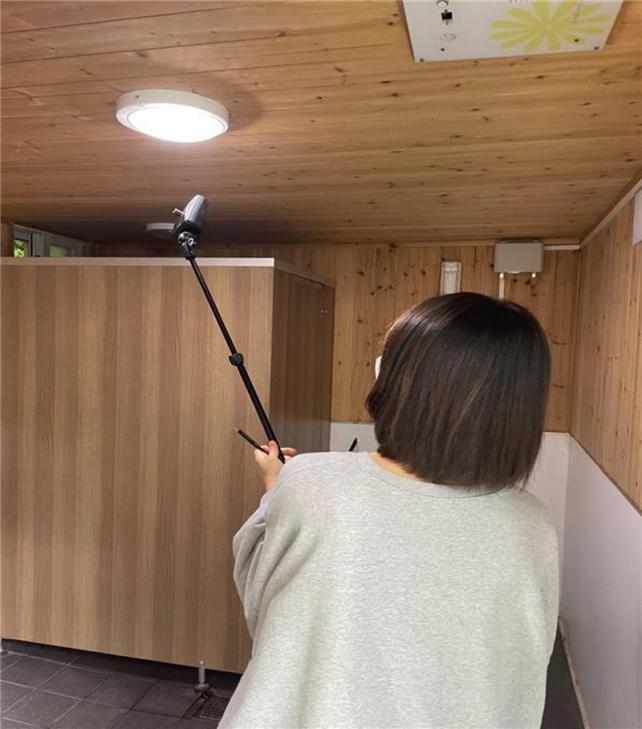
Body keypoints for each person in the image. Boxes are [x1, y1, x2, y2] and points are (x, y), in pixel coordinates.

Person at [219, 292, 559, 729]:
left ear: (398, 384)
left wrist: (276, 488)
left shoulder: (310, 482)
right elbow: (519, 671)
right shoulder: (532, 525)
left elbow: (264, 608)